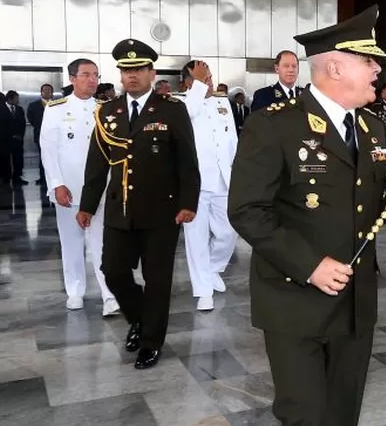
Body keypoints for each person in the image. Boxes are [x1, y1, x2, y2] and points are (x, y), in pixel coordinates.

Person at [227, 5, 386, 426]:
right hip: (294, 297)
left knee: (342, 414)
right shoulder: (275, 124)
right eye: (369, 61)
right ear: (335, 66)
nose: (379, 70)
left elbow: (377, 205)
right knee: (304, 416)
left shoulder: (372, 126)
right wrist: (309, 264)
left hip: (355, 300)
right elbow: (247, 211)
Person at [78, 38, 200, 370]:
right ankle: (140, 319)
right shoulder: (108, 112)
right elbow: (97, 164)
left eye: (138, 70)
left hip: (162, 211)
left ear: (151, 72)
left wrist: (189, 202)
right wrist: (87, 205)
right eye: (126, 70)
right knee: (113, 271)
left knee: (158, 280)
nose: (131, 76)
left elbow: (187, 160)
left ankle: (150, 342)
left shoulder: (171, 109)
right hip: (120, 209)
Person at [40, 58, 119, 316]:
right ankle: (75, 291)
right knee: (72, 243)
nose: (92, 79)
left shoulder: (106, 109)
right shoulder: (56, 109)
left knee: (104, 244)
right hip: (70, 189)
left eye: (95, 75)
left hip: (102, 190)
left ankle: (109, 294)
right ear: (72, 78)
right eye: (86, 74)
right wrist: (57, 184)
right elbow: (48, 151)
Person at [174, 60, 239, 311]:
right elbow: (186, 115)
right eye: (202, 78)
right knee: (196, 238)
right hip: (194, 182)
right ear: (187, 83)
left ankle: (213, 268)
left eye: (210, 77)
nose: (209, 82)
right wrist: (198, 88)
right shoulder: (180, 103)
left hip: (224, 179)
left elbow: (231, 139)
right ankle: (202, 290)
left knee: (228, 231)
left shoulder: (222, 102)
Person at [27, 83, 53, 185]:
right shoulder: (33, 105)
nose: (47, 92)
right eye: (45, 90)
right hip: (40, 134)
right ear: (41, 92)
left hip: (56, 136)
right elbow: (31, 118)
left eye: (49, 90)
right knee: (43, 157)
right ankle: (43, 178)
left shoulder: (58, 104)